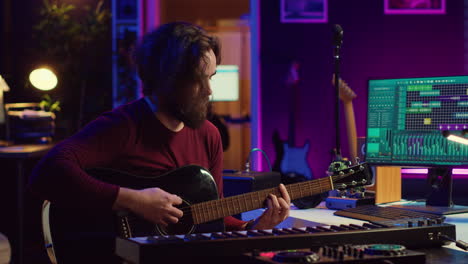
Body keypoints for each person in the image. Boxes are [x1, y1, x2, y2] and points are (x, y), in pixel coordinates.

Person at [29, 22, 291, 262]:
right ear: (168, 79)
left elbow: (215, 218)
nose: (209, 91)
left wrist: (254, 228)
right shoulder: (123, 126)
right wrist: (133, 200)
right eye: (199, 80)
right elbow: (48, 171)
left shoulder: (209, 135)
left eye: (211, 77)